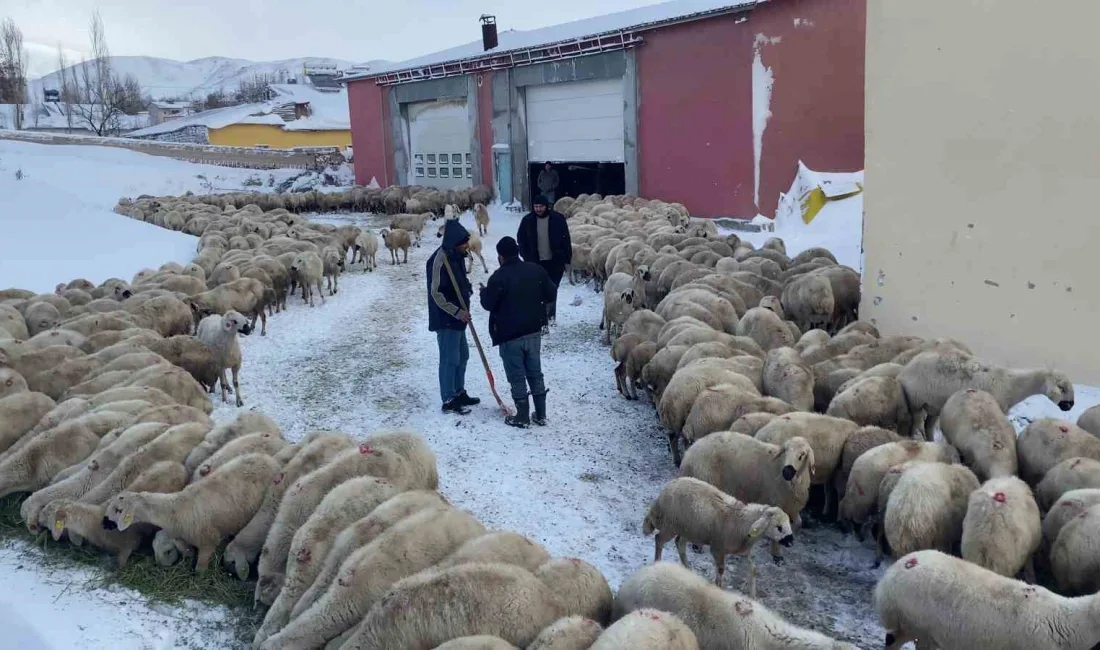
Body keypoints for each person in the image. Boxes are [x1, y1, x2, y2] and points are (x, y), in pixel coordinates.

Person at [479, 236, 556, 427]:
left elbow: (489, 304)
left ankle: (522, 416)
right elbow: (551, 292)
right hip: (533, 331)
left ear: (500, 256)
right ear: (518, 252)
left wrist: (483, 292)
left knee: (516, 374)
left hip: (509, 334)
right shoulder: (535, 270)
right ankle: (540, 413)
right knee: (535, 371)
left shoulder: (498, 277)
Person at [426, 219, 480, 415]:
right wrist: (456, 311)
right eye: (464, 242)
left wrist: (467, 289)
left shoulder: (456, 256)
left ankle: (459, 391)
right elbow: (436, 293)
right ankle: (448, 398)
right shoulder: (439, 260)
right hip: (446, 317)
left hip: (459, 317)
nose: (467, 245)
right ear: (454, 242)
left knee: (462, 356)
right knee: (449, 359)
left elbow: (459, 281)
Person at [516, 194, 571, 328]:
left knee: (552, 288)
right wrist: (525, 255)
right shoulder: (527, 220)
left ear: (547, 206)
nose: (538, 209)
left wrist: (567, 259)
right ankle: (541, 318)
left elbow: (566, 240)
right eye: (536, 206)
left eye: (541, 206)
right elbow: (521, 239)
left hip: (554, 261)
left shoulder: (558, 219)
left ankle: (551, 316)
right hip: (535, 262)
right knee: (538, 290)